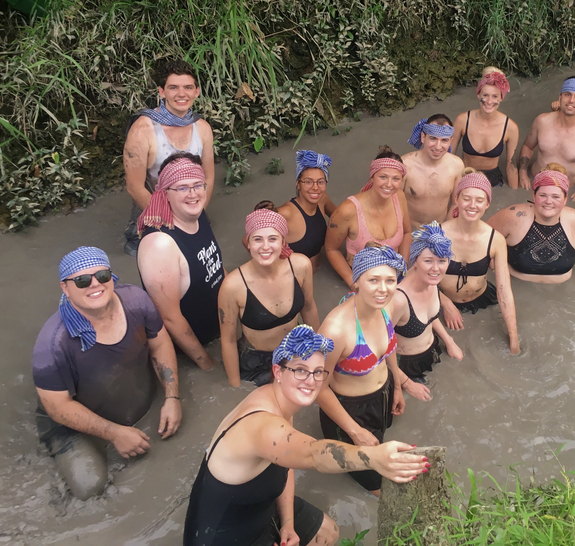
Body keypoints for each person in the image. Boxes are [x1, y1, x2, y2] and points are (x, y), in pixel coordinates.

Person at [183, 325, 428, 546]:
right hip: (219, 535)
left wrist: (288, 523)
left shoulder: (281, 403)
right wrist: (373, 458)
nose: (311, 381)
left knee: (328, 532)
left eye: (318, 372)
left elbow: (286, 465)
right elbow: (313, 454)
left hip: (258, 508)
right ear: (278, 371)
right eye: (300, 370)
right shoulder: (263, 425)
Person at [32, 247, 182, 500]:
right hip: (71, 424)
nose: (95, 284)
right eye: (82, 280)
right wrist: (115, 433)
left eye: (102, 275)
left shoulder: (136, 300)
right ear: (65, 288)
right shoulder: (52, 345)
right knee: (91, 487)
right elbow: (57, 407)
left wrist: (172, 397)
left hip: (131, 395)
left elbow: (160, 344)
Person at [316, 245, 413, 495]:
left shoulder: (386, 307)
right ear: (357, 280)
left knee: (382, 445)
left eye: (390, 280)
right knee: (376, 484)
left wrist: (397, 386)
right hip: (350, 411)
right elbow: (318, 388)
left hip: (383, 395)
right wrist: (355, 431)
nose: (383, 289)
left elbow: (389, 351)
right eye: (373, 280)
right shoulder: (335, 330)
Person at [137, 153, 224, 369]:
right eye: (182, 188)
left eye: (198, 185)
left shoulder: (197, 214)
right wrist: (206, 364)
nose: (193, 194)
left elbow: (216, 268)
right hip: (189, 351)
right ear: (165, 193)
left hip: (220, 331)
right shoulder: (159, 244)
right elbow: (169, 317)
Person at [218, 206, 320, 387]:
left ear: (283, 241)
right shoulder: (232, 286)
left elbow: (309, 308)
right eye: (257, 239)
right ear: (248, 243)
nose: (265, 246)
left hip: (294, 348)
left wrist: (318, 352)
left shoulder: (301, 266)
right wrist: (235, 386)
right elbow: (228, 340)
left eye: (273, 238)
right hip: (256, 363)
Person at [122, 58, 215, 256]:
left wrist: (197, 212)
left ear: (196, 92)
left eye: (188, 87)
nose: (181, 94)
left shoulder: (202, 128)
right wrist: (172, 224)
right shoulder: (143, 130)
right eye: (173, 87)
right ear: (162, 92)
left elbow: (208, 176)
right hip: (153, 209)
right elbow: (134, 186)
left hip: (189, 203)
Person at [439, 170, 521, 353]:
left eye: (479, 200)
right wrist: (445, 303)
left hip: (482, 300)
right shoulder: (438, 234)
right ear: (456, 199)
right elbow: (419, 279)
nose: (472, 205)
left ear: (487, 204)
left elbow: (504, 290)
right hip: (440, 300)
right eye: (466, 198)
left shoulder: (496, 239)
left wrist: (514, 338)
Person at [487, 165, 575, 284]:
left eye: (556, 197)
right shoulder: (512, 216)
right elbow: (483, 239)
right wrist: (495, 271)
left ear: (565, 199)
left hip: (563, 289)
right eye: (543, 195)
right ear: (534, 196)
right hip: (516, 284)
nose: (548, 201)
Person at [389, 223, 464, 393]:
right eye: (428, 261)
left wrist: (449, 341)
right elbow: (379, 345)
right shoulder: (399, 299)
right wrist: (406, 383)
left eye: (442, 261)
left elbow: (429, 317)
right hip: (405, 366)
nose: (436, 268)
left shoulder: (431, 280)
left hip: (432, 350)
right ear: (415, 260)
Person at [325, 148, 412, 289]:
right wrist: (353, 284)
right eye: (383, 177)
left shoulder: (399, 196)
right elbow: (331, 249)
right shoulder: (348, 210)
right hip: (362, 278)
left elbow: (407, 233)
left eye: (396, 178)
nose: (389, 184)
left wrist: (403, 267)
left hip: (393, 275)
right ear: (372, 177)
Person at [518, 77, 575, 201]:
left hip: (569, 189)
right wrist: (523, 173)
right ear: (560, 97)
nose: (571, 100)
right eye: (567, 94)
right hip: (535, 182)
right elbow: (528, 147)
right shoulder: (542, 121)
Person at [449, 68, 520, 188]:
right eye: (485, 95)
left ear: (501, 98)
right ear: (478, 94)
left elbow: (511, 166)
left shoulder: (510, 127)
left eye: (495, 96)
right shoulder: (463, 120)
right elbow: (450, 157)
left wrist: (515, 193)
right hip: (466, 176)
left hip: (493, 181)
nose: (489, 101)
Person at [401, 114, 465, 228]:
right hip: (409, 228)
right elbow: (392, 203)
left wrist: (446, 230)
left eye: (444, 140)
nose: (438, 146)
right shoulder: (405, 165)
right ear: (423, 137)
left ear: (450, 141)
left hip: (439, 228)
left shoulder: (457, 165)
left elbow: (456, 204)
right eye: (433, 138)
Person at [276, 150, 337, 267]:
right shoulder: (286, 213)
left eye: (320, 182)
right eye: (308, 182)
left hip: (319, 272)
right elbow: (248, 239)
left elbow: (342, 218)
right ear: (298, 184)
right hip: (292, 276)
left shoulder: (323, 199)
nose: (315, 187)